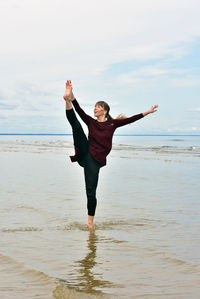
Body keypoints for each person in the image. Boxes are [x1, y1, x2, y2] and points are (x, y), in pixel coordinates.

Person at [63, 80, 158, 229]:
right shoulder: (91, 122)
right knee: (76, 126)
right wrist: (71, 93)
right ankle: (66, 100)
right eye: (94, 107)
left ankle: (90, 222)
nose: (95, 109)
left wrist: (148, 112)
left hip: (95, 161)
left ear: (105, 110)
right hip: (86, 151)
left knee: (91, 192)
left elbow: (131, 119)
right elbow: (79, 109)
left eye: (98, 107)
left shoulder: (113, 124)